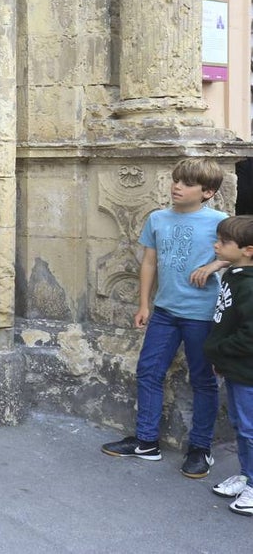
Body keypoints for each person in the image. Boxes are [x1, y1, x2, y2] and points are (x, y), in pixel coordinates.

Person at [101, 157, 228, 478]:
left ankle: (200, 448)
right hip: (165, 312)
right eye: (176, 180)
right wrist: (144, 304)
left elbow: (243, 252)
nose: (177, 187)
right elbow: (149, 263)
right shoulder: (157, 219)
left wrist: (215, 264)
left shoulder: (220, 222)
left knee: (203, 380)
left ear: (208, 192)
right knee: (148, 371)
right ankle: (146, 442)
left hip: (202, 315)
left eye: (187, 184)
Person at [205, 215, 253, 516]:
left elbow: (249, 335)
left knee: (250, 429)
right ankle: (247, 475)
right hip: (235, 368)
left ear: (248, 250)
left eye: (224, 242)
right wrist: (221, 359)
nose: (216, 245)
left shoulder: (250, 285)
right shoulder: (234, 274)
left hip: (248, 371)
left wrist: (220, 351)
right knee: (240, 425)